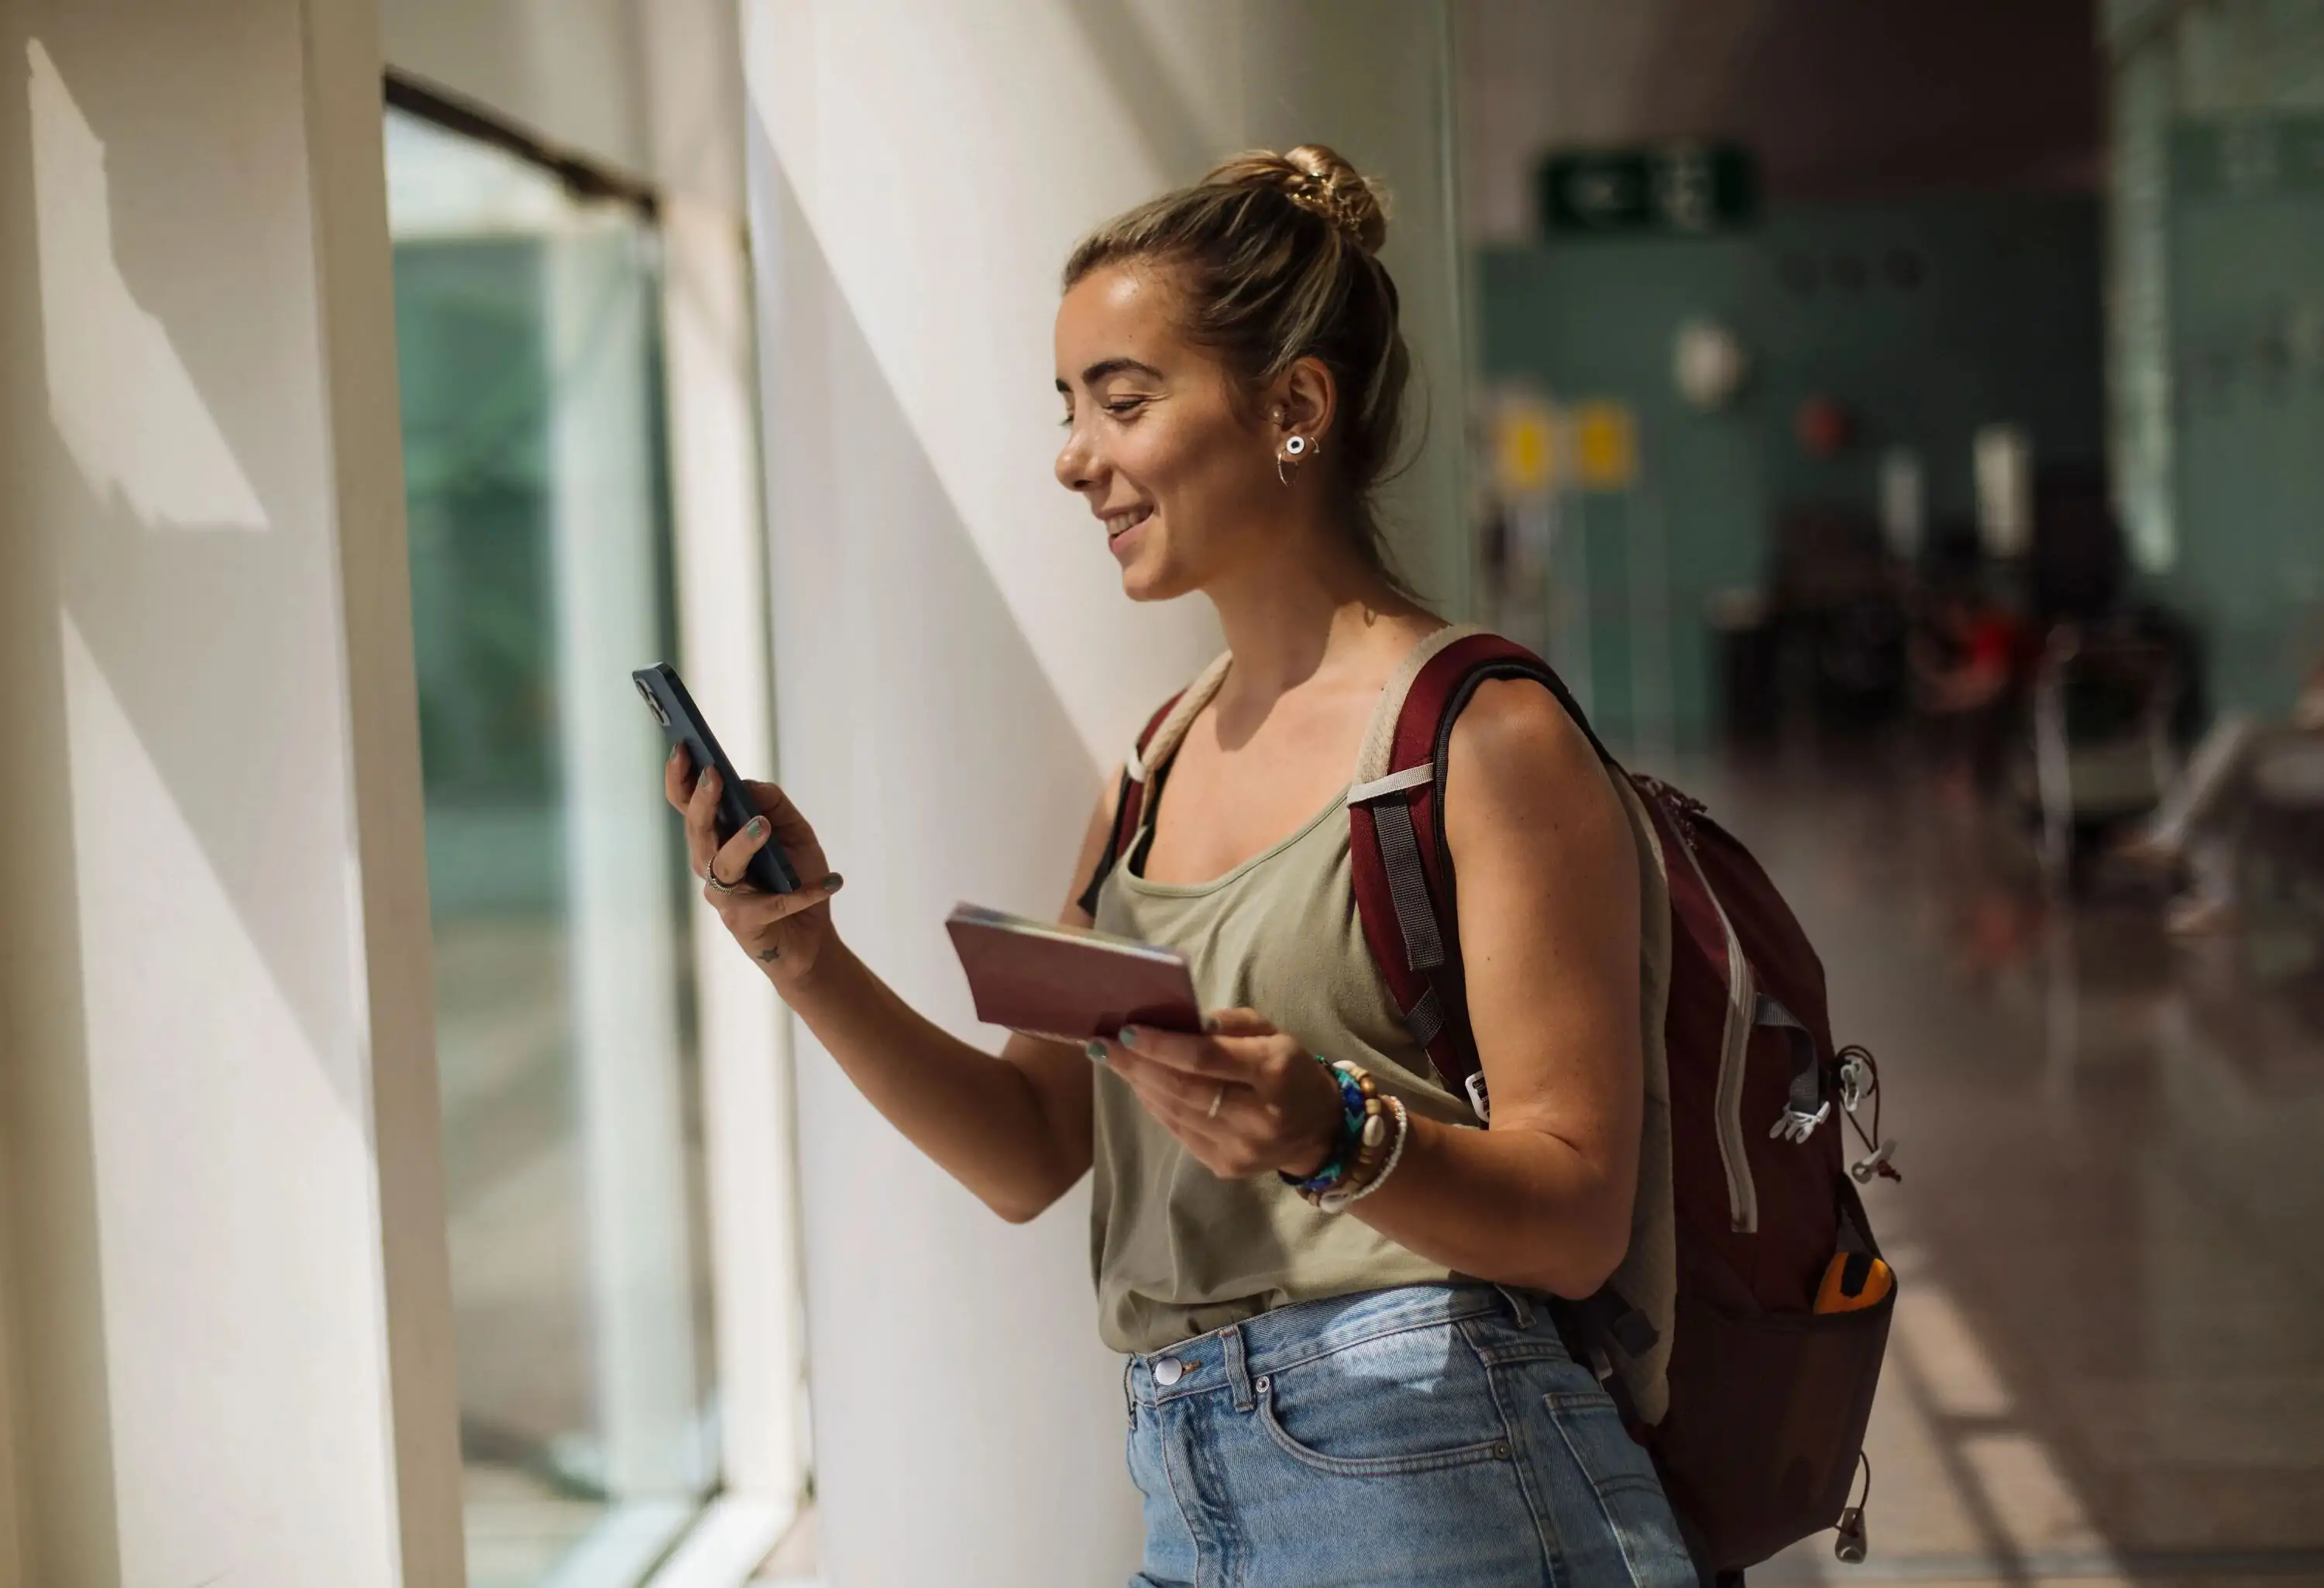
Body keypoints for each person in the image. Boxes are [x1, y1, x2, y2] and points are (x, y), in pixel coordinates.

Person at [666, 146, 1694, 1587]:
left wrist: (1329, 1129)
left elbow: (1579, 1215)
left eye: (1123, 398)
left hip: (1442, 1464)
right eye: (1070, 406)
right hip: (1190, 1472)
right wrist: (804, 955)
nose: (1075, 454)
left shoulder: (1480, 735)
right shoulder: (1150, 770)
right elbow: (1031, 1149)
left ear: (1294, 408)